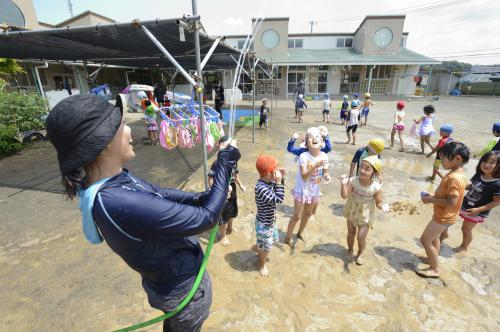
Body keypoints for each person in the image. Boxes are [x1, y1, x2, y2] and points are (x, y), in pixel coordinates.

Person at [45, 94, 241, 331]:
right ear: (105, 142)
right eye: (123, 125)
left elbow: (159, 193)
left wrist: (203, 196)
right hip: (184, 292)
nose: (130, 131)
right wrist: (224, 164)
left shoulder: (114, 181)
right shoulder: (115, 201)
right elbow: (206, 219)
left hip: (169, 284)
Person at [417, 142, 469, 278]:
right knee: (434, 238)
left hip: (444, 217)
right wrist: (433, 196)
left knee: (425, 240)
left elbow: (452, 202)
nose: (441, 161)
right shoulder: (456, 173)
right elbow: (448, 195)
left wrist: (431, 200)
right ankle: (431, 258)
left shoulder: (454, 178)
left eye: (445, 158)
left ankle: (434, 269)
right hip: (444, 215)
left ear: (457, 158)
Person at [285, 127, 331, 246]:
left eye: (317, 137)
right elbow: (304, 176)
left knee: (308, 214)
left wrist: (326, 176)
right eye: (311, 137)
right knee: (297, 216)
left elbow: (325, 171)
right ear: (306, 143)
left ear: (322, 142)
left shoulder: (324, 156)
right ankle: (288, 237)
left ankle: (299, 233)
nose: (314, 139)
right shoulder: (303, 156)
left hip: (314, 190)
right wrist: (315, 166)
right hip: (302, 190)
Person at [340, 156, 388, 265]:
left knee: (361, 237)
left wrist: (382, 207)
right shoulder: (353, 181)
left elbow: (379, 202)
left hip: (365, 215)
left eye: (367, 169)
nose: (362, 170)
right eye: (361, 167)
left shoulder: (376, 187)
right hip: (352, 211)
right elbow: (344, 196)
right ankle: (350, 249)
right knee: (350, 233)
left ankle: (360, 252)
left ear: (374, 172)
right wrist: (343, 184)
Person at [453, 151, 500, 253]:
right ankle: (443, 233)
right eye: (484, 161)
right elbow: (472, 186)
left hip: (477, 211)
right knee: (448, 218)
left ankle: (464, 247)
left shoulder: (497, 184)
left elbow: (496, 202)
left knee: (465, 229)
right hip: (465, 203)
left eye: (492, 162)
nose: (486, 164)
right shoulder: (479, 174)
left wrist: (479, 209)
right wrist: (460, 186)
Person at [208, 136, 246, 245]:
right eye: (232, 146)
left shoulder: (233, 162)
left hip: (232, 190)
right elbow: (211, 180)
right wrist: (219, 190)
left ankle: (230, 227)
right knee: (223, 215)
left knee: (232, 210)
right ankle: (223, 235)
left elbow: (236, 176)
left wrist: (241, 186)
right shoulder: (217, 164)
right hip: (222, 193)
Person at [252, 155, 285, 276]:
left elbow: (277, 190)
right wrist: (278, 182)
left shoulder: (268, 182)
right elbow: (279, 198)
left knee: (267, 242)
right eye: (275, 170)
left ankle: (257, 247)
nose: (277, 172)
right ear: (268, 174)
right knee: (266, 248)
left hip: (270, 221)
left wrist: (281, 180)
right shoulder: (261, 188)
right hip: (264, 224)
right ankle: (261, 264)